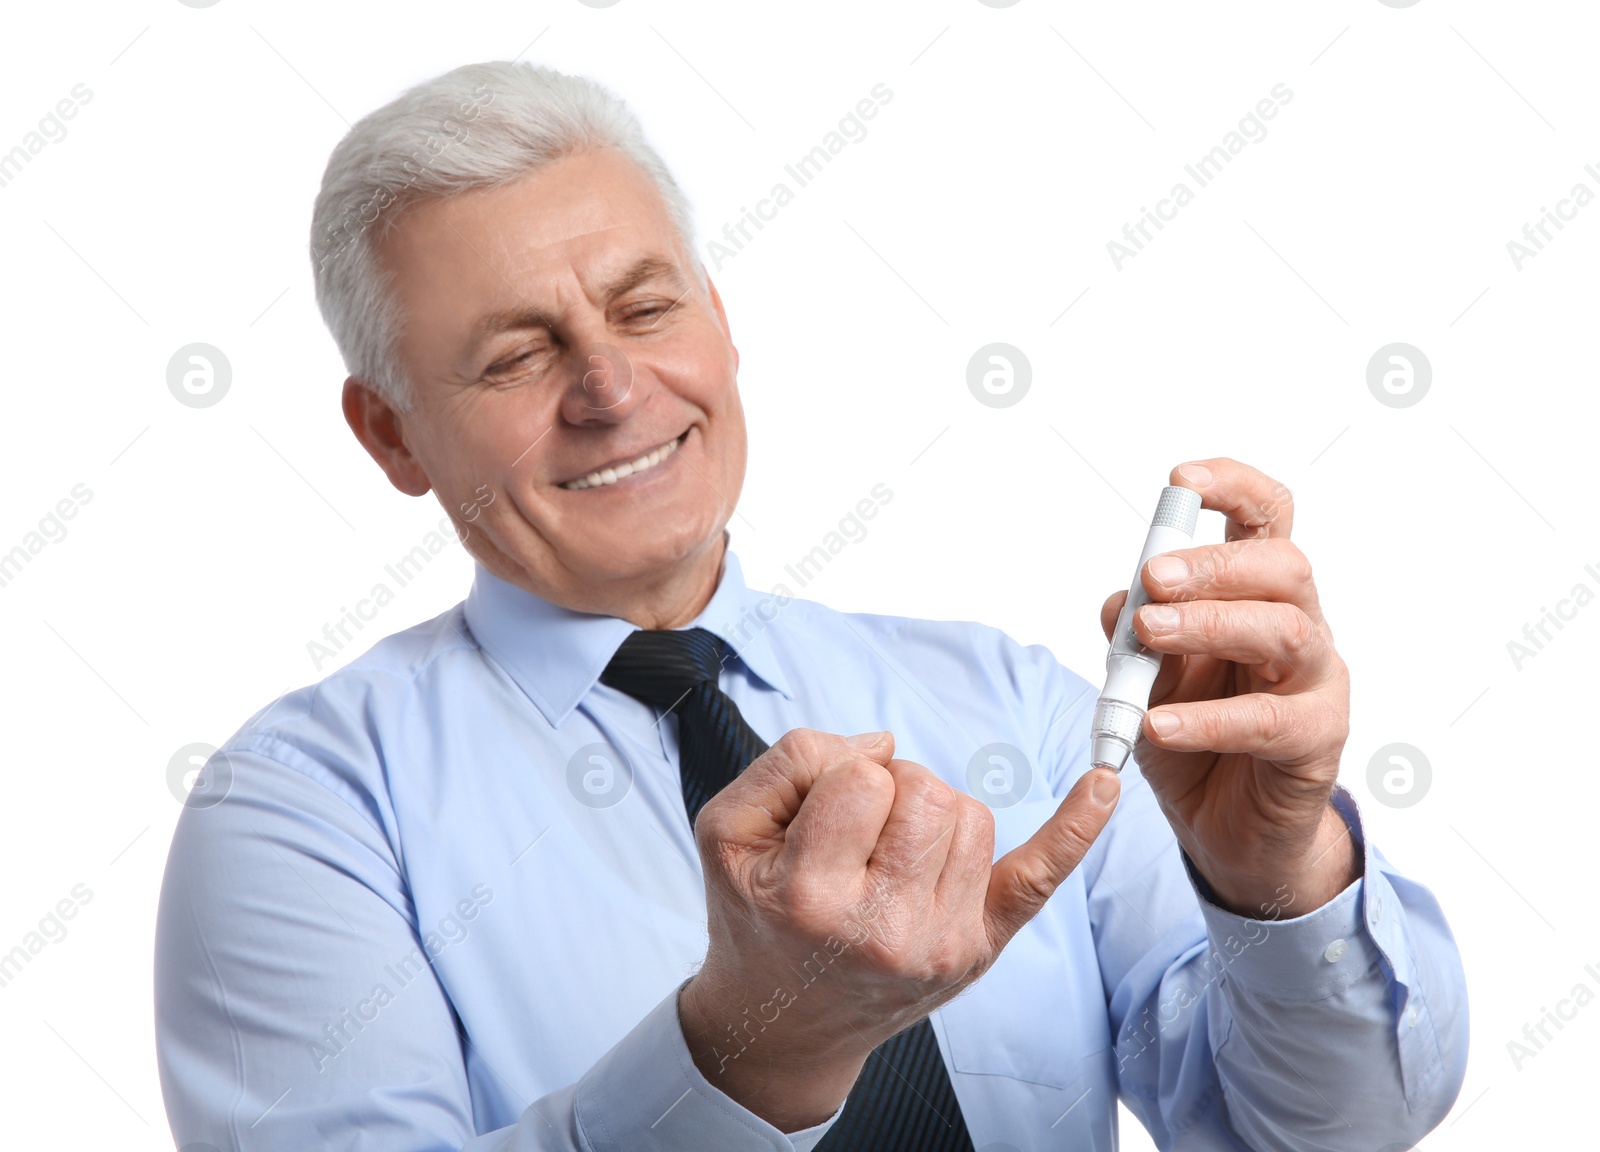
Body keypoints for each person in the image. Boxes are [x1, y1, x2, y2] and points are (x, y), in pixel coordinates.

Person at [155, 60, 1467, 1151]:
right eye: (515, 353)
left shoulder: (1008, 702)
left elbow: (1332, 1129)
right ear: (391, 436)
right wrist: (742, 1057)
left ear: (720, 323)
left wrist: (1275, 885)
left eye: (645, 304)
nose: (612, 388)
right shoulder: (305, 812)